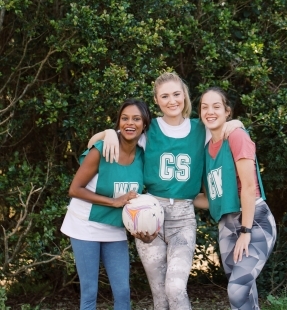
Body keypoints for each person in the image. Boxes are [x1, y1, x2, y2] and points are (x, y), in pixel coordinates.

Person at [88, 72, 244, 310]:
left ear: (184, 95)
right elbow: (92, 145)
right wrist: (109, 133)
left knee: (175, 287)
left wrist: (234, 123)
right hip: (150, 215)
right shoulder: (149, 130)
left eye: (176, 94)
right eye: (164, 96)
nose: (172, 100)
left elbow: (226, 129)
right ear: (157, 100)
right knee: (159, 296)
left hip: (183, 217)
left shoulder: (199, 129)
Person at [61, 99, 153, 310]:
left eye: (136, 119)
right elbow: (75, 189)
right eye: (125, 118)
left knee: (122, 292)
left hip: (114, 227)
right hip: (85, 225)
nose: (130, 123)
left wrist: (145, 226)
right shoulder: (102, 149)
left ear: (145, 124)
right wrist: (113, 202)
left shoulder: (143, 153)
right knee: (90, 292)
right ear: (118, 122)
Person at [194, 87, 277, 310]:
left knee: (237, 290)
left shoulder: (237, 136)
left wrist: (245, 232)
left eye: (216, 106)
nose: (210, 111)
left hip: (254, 221)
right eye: (204, 107)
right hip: (226, 225)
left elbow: (249, 188)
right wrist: (175, 198)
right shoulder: (205, 149)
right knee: (244, 296)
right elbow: (212, 199)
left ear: (227, 111)